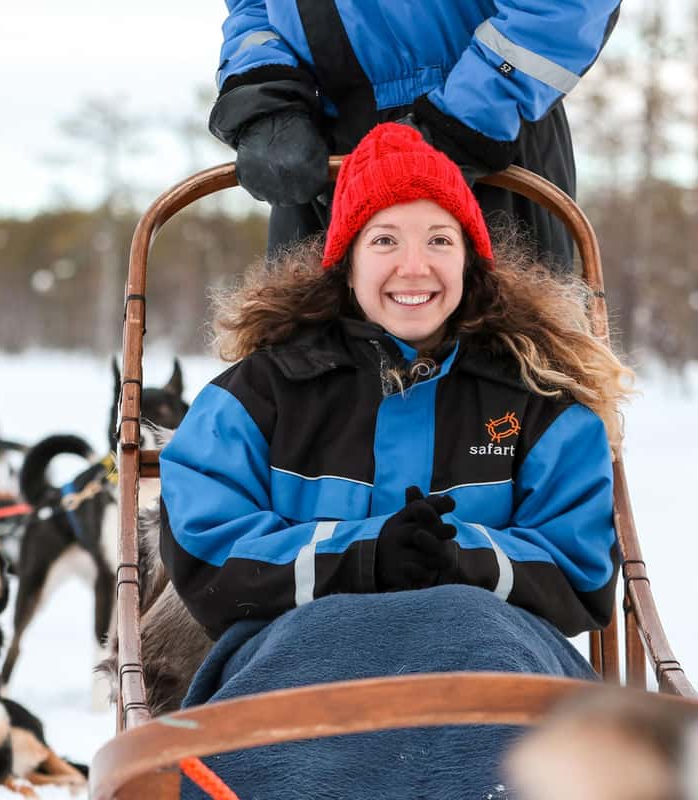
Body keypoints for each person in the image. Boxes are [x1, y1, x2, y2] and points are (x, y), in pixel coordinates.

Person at [158, 123, 633, 798]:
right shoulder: (260, 395)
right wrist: (362, 557)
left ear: (470, 260)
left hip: (495, 668)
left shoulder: (540, 407)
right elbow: (208, 554)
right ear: (345, 263)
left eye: (439, 240)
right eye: (385, 240)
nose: (415, 267)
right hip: (293, 672)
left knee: (477, 640)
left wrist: (459, 561)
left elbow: (580, 567)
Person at [210, 0, 620, 270]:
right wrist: (266, 89)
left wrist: (463, 121)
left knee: (509, 376)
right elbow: (253, 7)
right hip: (317, 150)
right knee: (302, 379)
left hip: (478, 137)